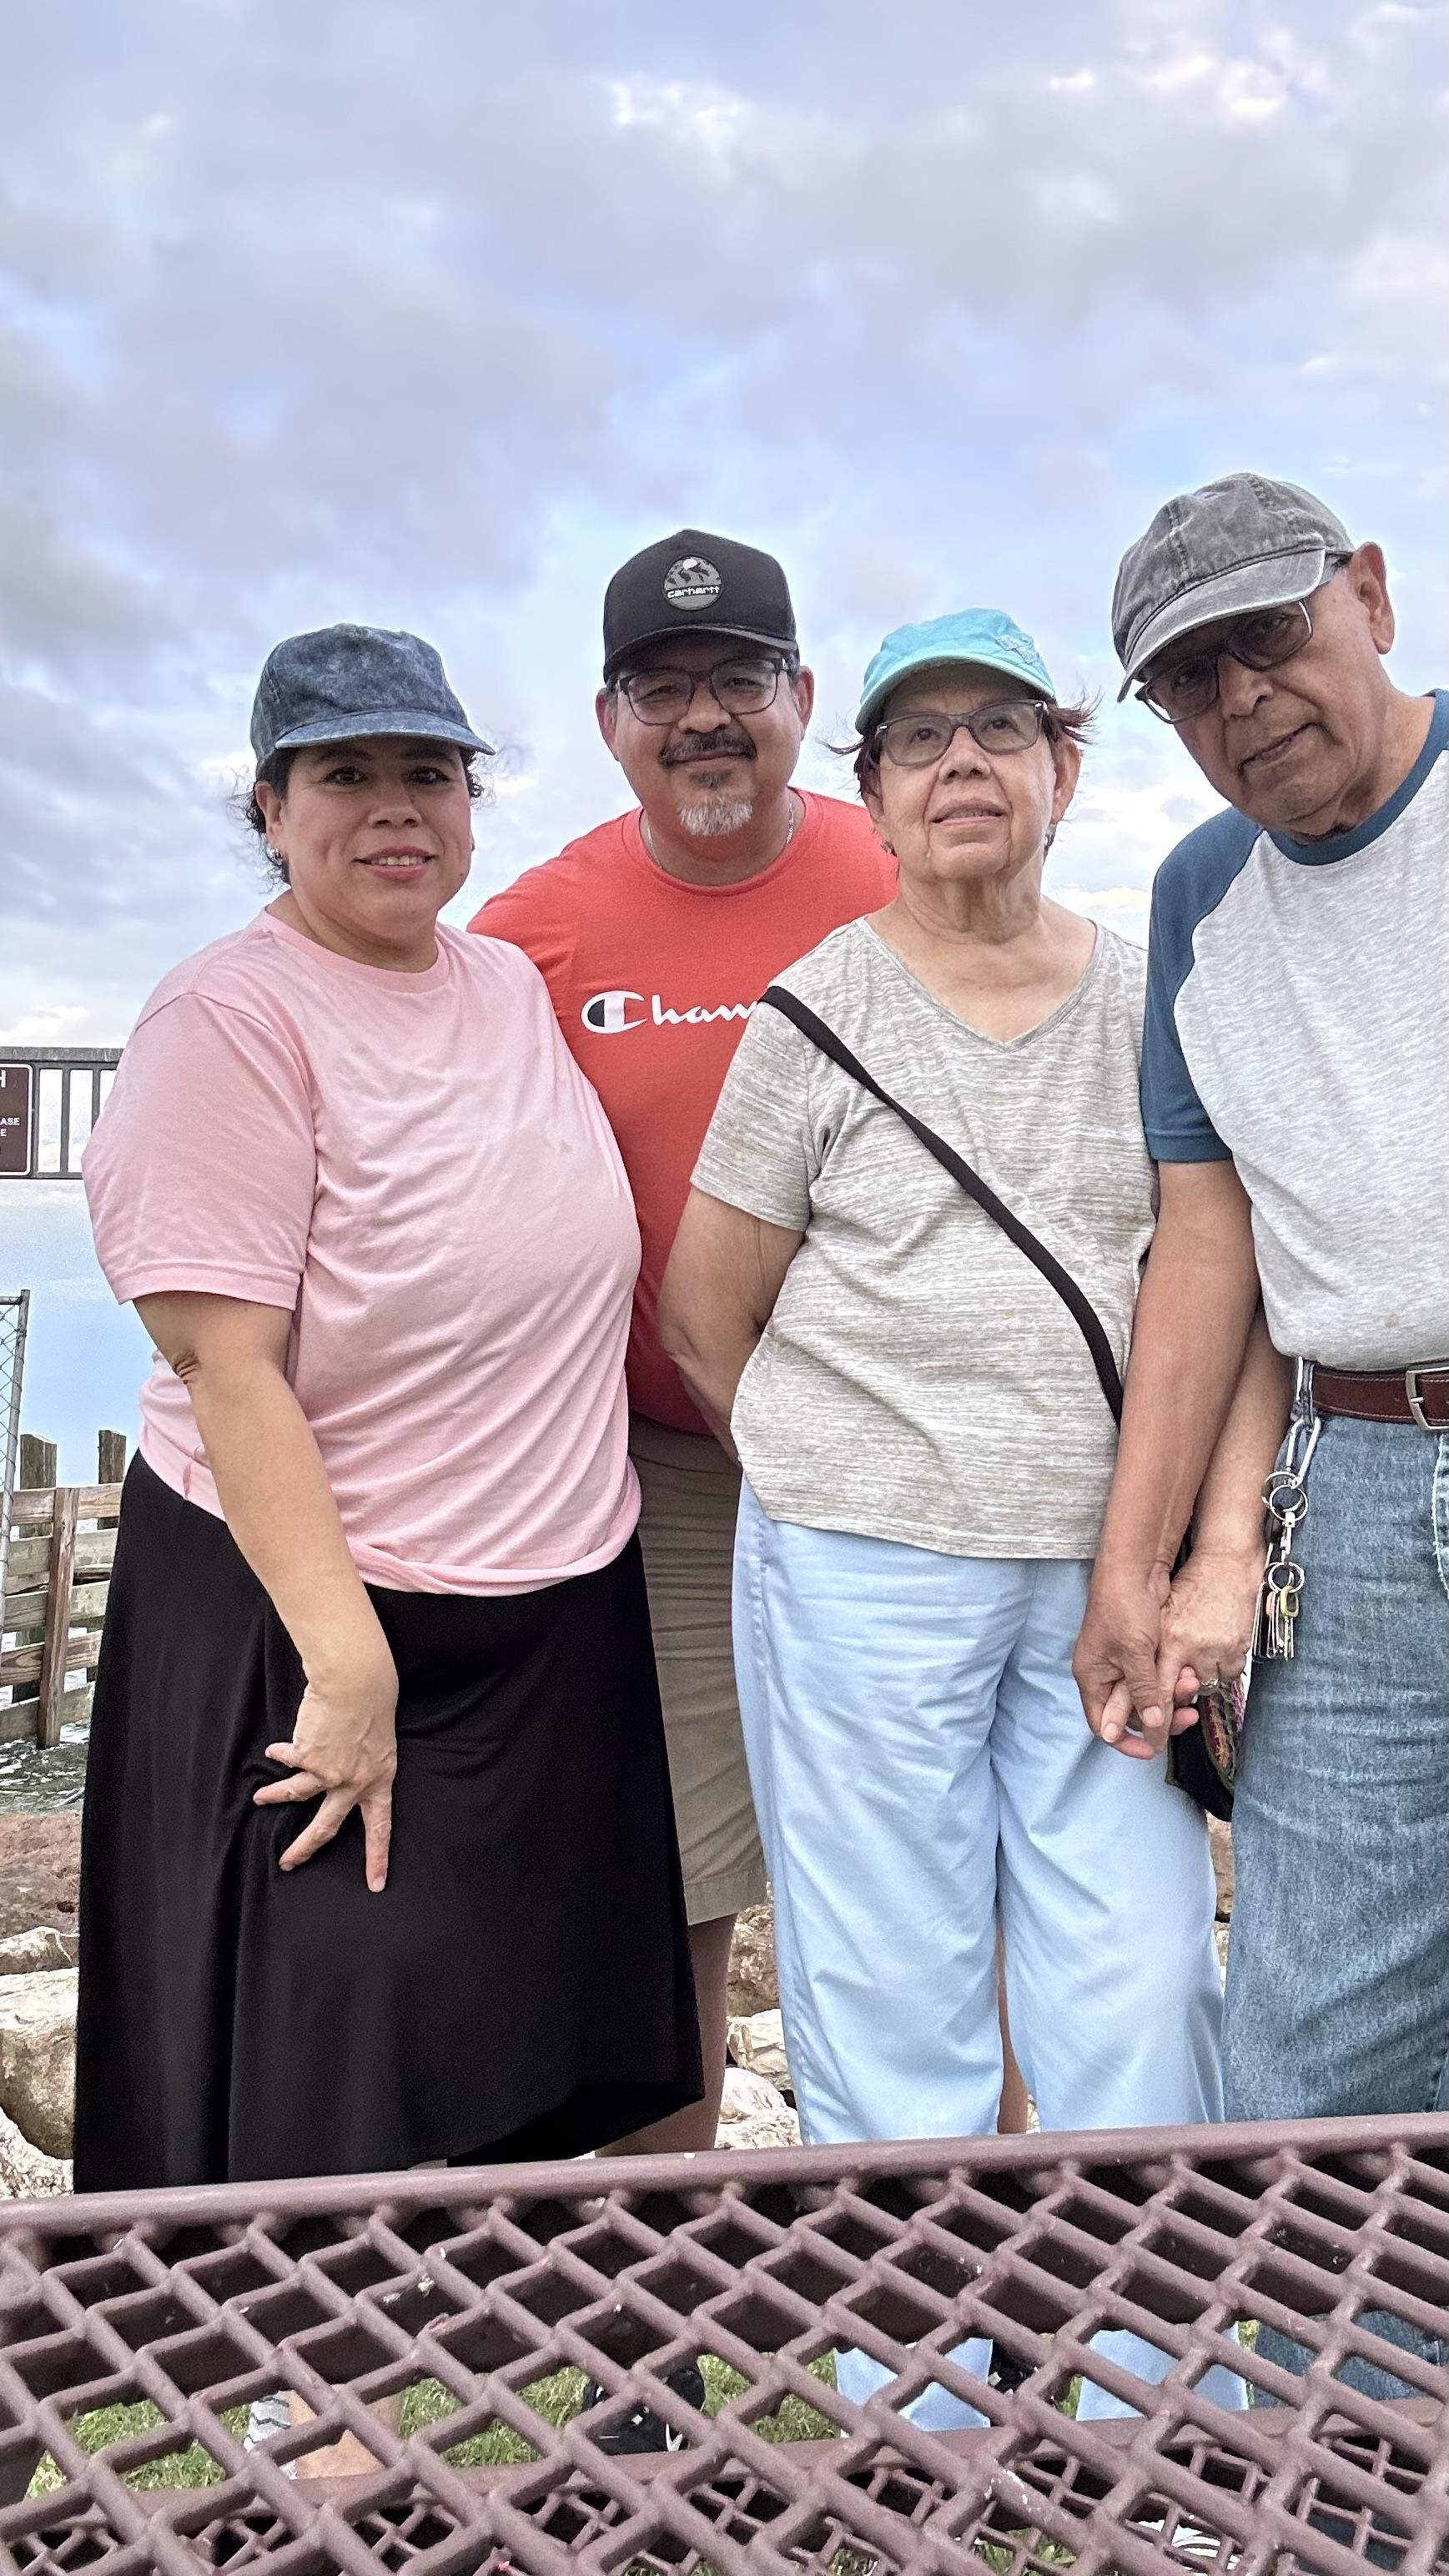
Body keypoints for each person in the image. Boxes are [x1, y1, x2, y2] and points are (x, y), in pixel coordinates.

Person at [660, 607, 1274, 2419]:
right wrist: (850, 1471)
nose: (959, 767)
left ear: (1062, 768)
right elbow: (709, 1309)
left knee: (1137, 1976)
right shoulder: (810, 1013)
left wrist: (1177, 1545)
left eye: (997, 731)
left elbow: (1218, 1271)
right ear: (868, 791)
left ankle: (1134, 2392)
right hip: (865, 1568)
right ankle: (913, 2403)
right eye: (914, 741)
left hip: (1109, 1572)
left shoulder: (1158, 986)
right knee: (886, 1990)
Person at [77, 621, 700, 2195]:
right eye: (344, 775)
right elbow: (228, 1364)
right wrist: (345, 1660)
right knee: (336, 2043)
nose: (394, 809)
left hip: (557, 1594)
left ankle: (605, 2365)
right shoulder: (226, 1017)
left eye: (428, 771)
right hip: (318, 1604)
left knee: (550, 2030)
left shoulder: (498, 981)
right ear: (270, 809)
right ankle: (320, 2418)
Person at [1074, 475, 1447, 2377]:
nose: (1242, 697)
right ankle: (1353, 2474)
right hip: (1361, 1479)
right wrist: (1139, 1567)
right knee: (1318, 2030)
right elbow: (1201, 1240)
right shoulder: (1194, 898)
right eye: (1186, 679)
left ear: (1366, 594)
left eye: (1266, 637)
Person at [471, 530, 896, 2151]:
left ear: (800, 694)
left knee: (936, 1855)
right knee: (673, 1883)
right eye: (664, 687)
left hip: (897, 1457)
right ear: (606, 718)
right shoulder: (534, 931)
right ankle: (655, 2334)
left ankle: (985, 2270)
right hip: (660, 1475)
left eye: (737, 681)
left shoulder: (893, 872)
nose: (703, 717)